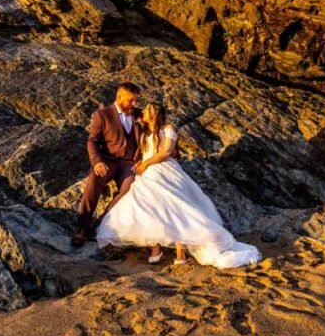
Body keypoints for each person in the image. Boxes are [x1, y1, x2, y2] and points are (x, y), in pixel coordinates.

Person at [96, 102, 262, 268]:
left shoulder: (168, 129)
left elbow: (166, 152)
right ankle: (156, 246)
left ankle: (180, 250)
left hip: (164, 169)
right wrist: (140, 163)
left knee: (174, 207)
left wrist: (146, 164)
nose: (144, 112)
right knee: (150, 206)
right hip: (146, 173)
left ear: (154, 113)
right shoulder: (145, 132)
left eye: (147, 110)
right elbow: (142, 150)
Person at [72, 82, 145, 247]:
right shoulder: (102, 115)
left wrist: (142, 159)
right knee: (93, 181)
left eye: (135, 101)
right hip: (108, 161)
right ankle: (82, 227)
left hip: (130, 163)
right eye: (130, 100)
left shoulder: (139, 114)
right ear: (119, 97)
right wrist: (97, 161)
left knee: (129, 189)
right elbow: (92, 141)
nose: (134, 104)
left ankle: (100, 224)